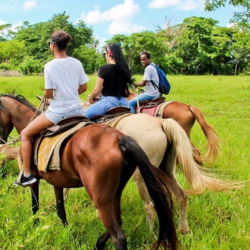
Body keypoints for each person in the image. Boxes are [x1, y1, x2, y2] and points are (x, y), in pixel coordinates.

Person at [15, 30, 89, 187]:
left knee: (25, 134)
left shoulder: (49, 66)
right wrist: (69, 93)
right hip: (78, 111)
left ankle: (27, 173)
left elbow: (49, 93)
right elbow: (83, 87)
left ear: (53, 45)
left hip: (57, 113)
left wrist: (48, 95)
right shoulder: (76, 62)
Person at [84, 43, 134, 120]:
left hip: (108, 102)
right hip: (124, 103)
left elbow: (97, 90)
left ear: (109, 54)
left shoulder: (105, 68)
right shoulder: (124, 69)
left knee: (82, 117)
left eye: (105, 54)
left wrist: (91, 97)